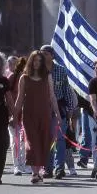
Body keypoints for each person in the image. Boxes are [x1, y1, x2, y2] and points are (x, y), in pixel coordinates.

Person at [14, 51, 61, 183]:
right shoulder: (24, 78)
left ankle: (39, 171)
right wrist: (13, 115)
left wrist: (57, 114)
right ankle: (35, 173)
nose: (37, 63)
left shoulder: (47, 77)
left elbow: (52, 97)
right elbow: (19, 99)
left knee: (43, 142)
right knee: (32, 143)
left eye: (40, 61)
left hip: (45, 114)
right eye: (34, 60)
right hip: (29, 115)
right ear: (30, 61)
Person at [40, 45, 76, 179]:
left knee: (59, 139)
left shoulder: (61, 70)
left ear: (52, 55)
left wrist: (69, 110)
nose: (43, 56)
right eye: (41, 53)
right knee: (47, 139)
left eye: (46, 53)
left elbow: (67, 91)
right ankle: (47, 168)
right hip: (43, 109)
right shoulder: (38, 70)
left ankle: (59, 168)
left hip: (59, 109)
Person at [0, 52, 14, 184]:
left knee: (2, 145)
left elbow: (10, 100)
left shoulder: (4, 81)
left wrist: (14, 116)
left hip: (1, 115)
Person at [7, 57, 29, 175]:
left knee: (24, 141)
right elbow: (8, 95)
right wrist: (11, 113)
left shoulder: (28, 78)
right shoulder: (12, 77)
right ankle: (16, 166)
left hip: (25, 115)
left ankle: (24, 164)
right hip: (14, 114)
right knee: (15, 140)